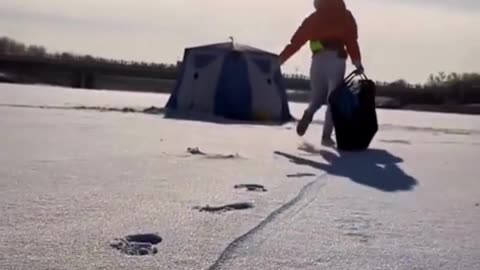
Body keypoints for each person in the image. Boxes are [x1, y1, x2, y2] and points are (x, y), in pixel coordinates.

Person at [279, 0, 364, 146]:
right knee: (333, 99)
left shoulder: (314, 18)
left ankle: (309, 111)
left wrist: (280, 60)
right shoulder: (345, 16)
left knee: (317, 97)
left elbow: (296, 42)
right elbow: (351, 41)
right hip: (336, 60)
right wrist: (357, 63)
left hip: (318, 59)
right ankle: (325, 137)